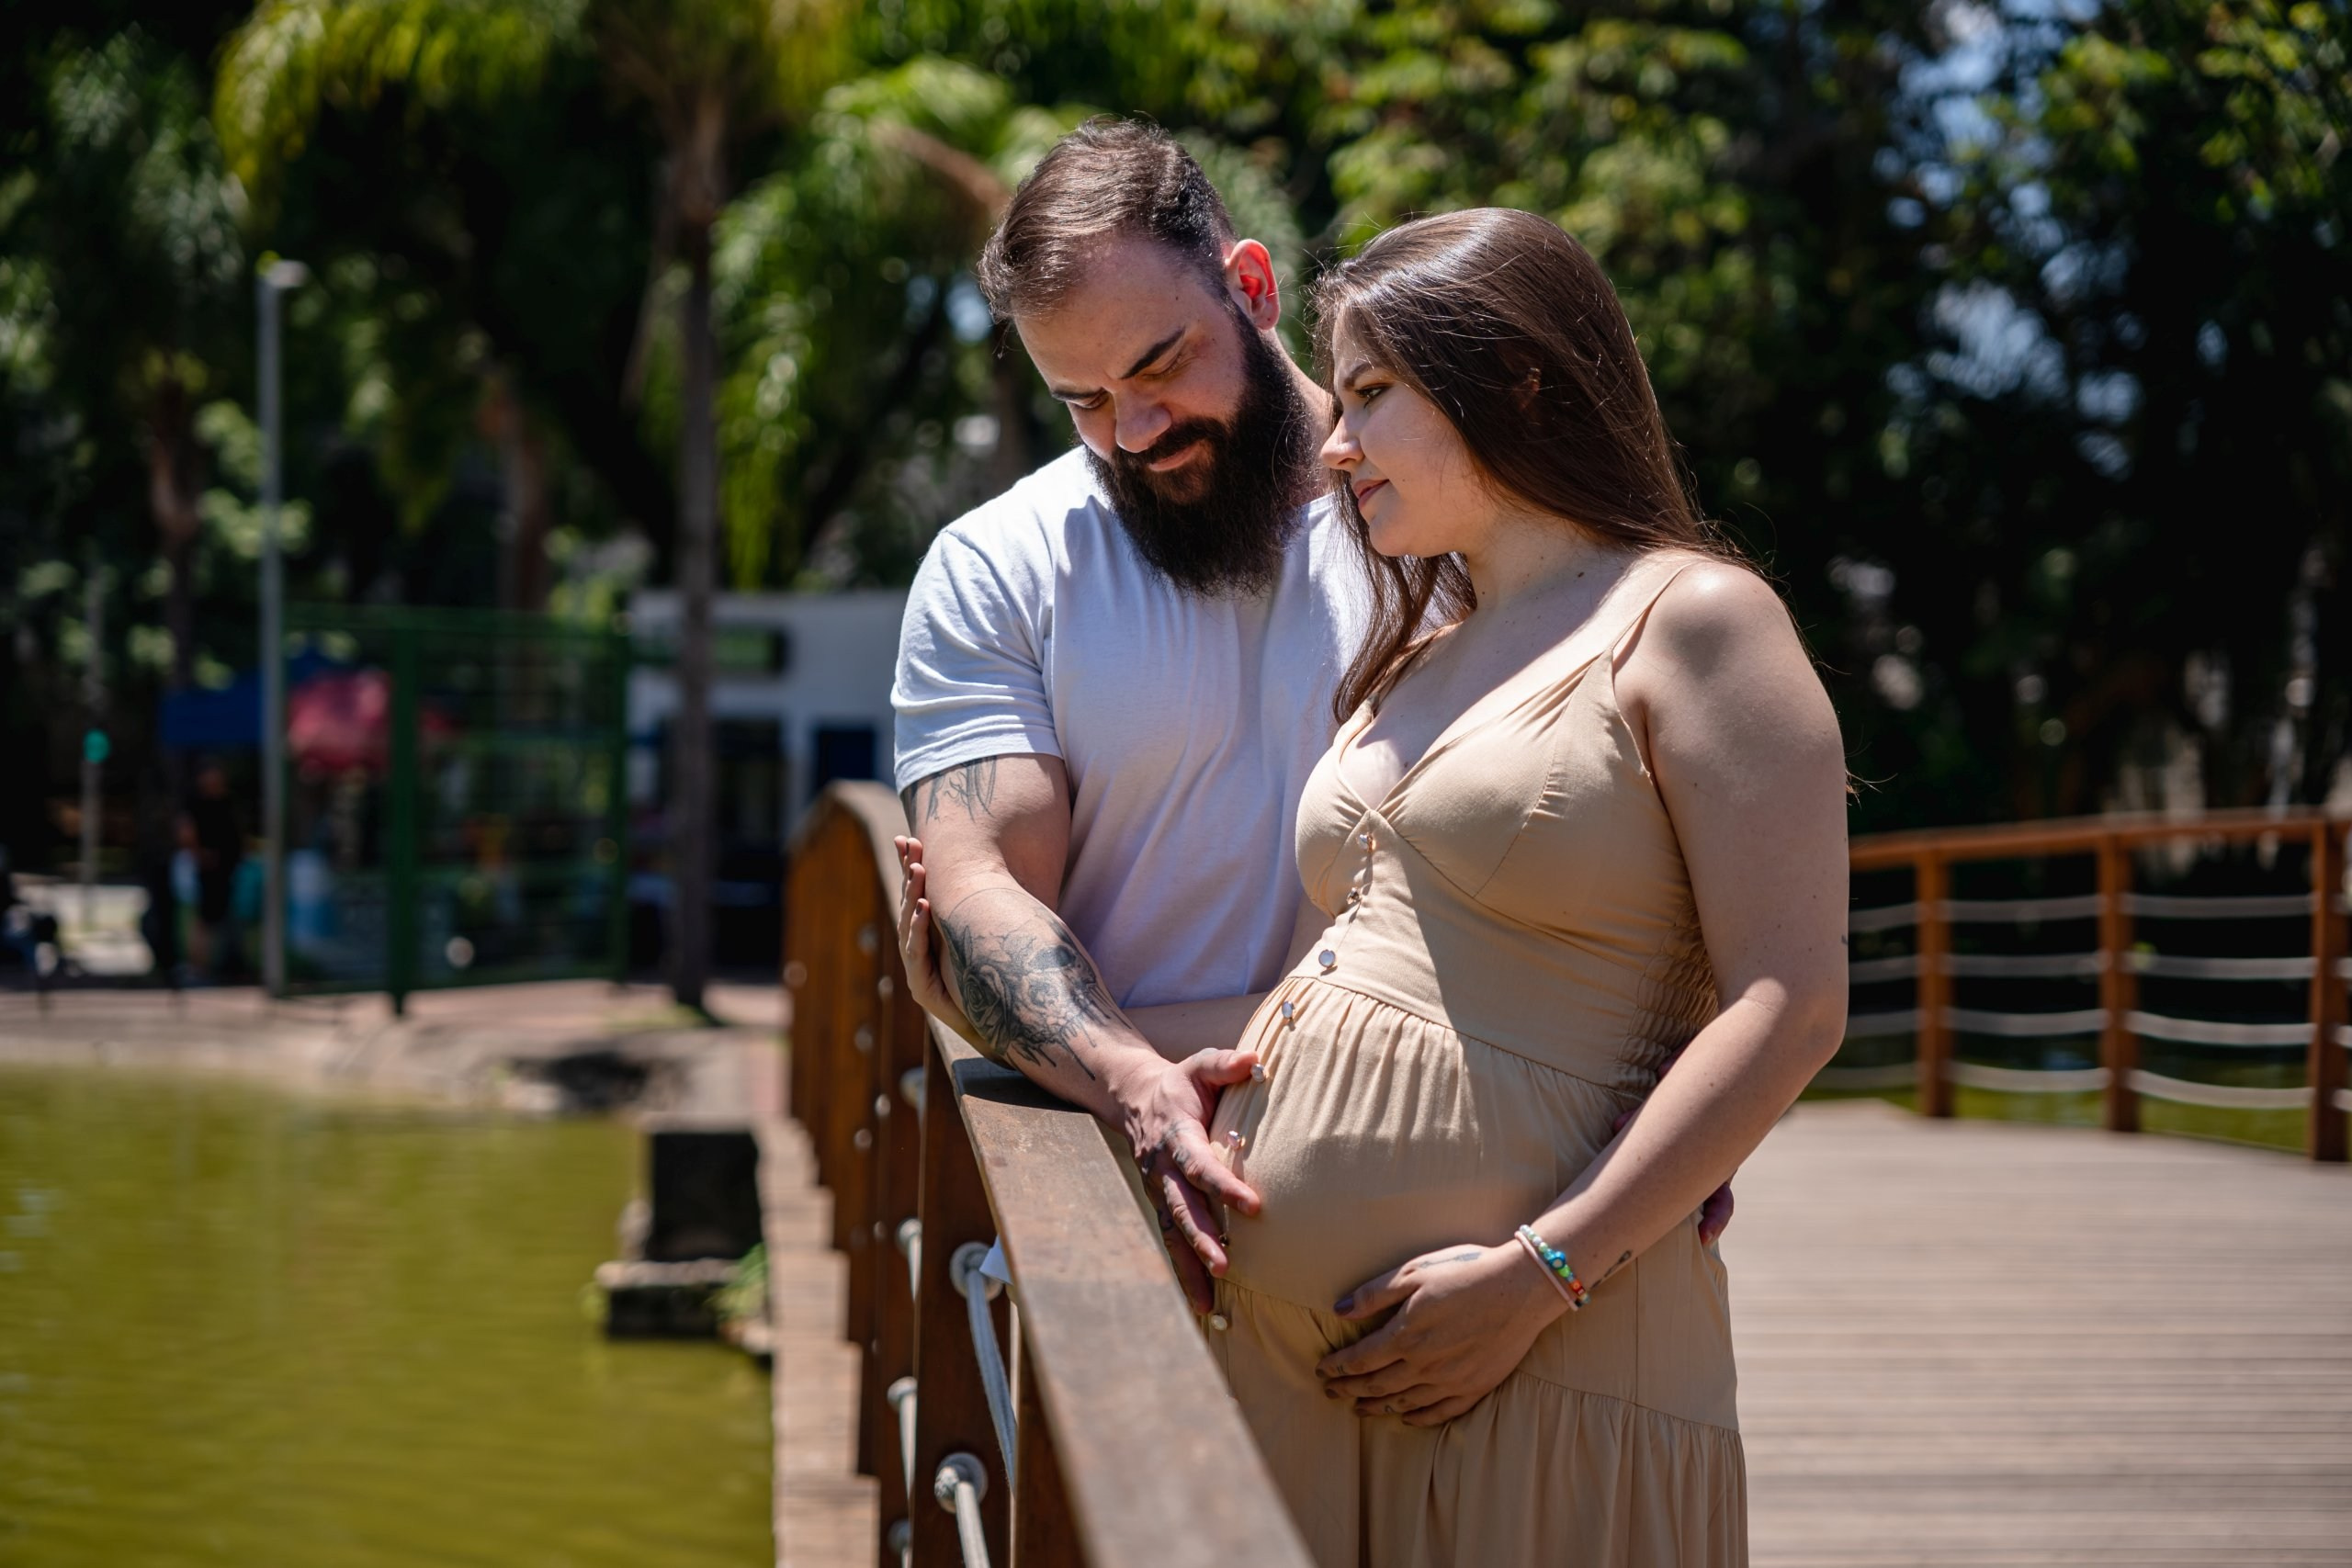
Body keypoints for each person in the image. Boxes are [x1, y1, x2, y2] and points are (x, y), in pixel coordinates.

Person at [888, 122, 1737, 1309]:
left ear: (1252, 285)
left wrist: (1658, 1082)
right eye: (1080, 399)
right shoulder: (995, 567)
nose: (1133, 432)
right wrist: (1138, 1080)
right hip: (1121, 1210)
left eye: (1160, 366)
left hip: (1469, 1240)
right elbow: (980, 898)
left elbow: (1641, 822)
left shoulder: (1459, 523)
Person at [1183, 209, 1848, 1564]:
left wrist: (1541, 1274)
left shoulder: (1696, 620)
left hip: (1542, 1347)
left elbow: (1790, 1003)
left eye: (1372, 394)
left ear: (1520, 378)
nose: (1334, 443)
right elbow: (1371, 966)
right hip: (1288, 1365)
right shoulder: (1421, 654)